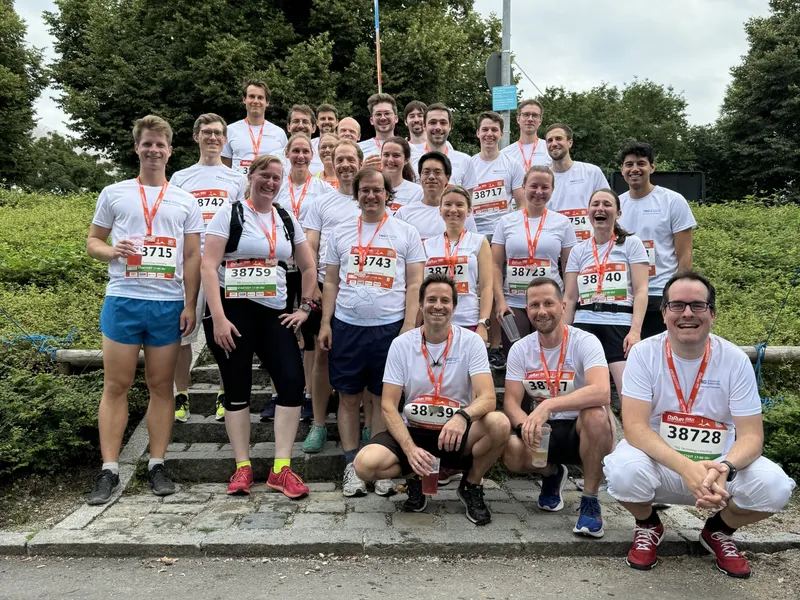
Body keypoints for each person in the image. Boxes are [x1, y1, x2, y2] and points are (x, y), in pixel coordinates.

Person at [604, 271, 796, 577]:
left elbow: (751, 436)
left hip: (718, 469)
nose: (687, 313)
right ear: (664, 313)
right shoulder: (642, 354)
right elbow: (635, 428)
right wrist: (685, 467)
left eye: (698, 305)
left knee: (775, 488)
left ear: (712, 314)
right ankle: (648, 525)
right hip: (661, 463)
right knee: (622, 473)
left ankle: (719, 530)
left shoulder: (735, 360)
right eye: (677, 305)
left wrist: (726, 467)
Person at [86, 115, 204, 504]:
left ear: (170, 150)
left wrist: (190, 303)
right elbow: (93, 241)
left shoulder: (185, 199)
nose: (154, 150)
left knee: (160, 386)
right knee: (115, 385)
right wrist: (110, 251)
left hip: (167, 303)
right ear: (137, 147)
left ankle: (157, 463)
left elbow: (192, 256)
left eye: (160, 144)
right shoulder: (114, 193)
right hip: (124, 299)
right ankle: (109, 469)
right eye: (147, 144)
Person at [201, 154, 317, 498]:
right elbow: (208, 266)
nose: (270, 182)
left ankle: (282, 468)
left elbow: (309, 267)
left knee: (292, 383)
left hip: (273, 313)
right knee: (237, 388)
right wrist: (218, 317)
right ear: (250, 176)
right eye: (265, 175)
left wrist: (305, 308)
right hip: (232, 313)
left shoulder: (285, 218)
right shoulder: (230, 213)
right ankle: (242, 466)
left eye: (277, 178)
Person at [354, 273, 511, 525]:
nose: (438, 306)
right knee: (364, 464)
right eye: (431, 300)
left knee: (500, 423)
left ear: (454, 307)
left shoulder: (471, 342)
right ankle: (414, 478)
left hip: (456, 432)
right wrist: (409, 448)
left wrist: (463, 416)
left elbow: (488, 398)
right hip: (415, 430)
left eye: (445, 300)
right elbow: (388, 405)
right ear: (420, 305)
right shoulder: (401, 344)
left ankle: (471, 485)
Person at [318, 167, 426, 498]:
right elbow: (331, 281)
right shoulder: (340, 232)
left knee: (383, 399)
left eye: (377, 190)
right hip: (347, 326)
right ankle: (352, 464)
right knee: (348, 397)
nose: (371, 195)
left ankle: (378, 465)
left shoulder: (406, 232)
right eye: (364, 190)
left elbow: (415, 283)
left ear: (387, 194)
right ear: (356, 194)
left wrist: (409, 325)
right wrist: (326, 322)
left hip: (390, 328)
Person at [502, 277, 614, 537]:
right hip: (546, 431)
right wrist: (525, 425)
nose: (541, 311)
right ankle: (552, 473)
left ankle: (590, 501)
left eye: (548, 303)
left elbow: (602, 391)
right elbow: (511, 402)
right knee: (511, 452)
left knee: (596, 414)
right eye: (534, 305)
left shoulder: (585, 341)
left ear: (563, 306)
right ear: (527, 310)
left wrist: (549, 405)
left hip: (582, 429)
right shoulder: (520, 349)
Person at [170, 113, 247, 425]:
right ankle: (181, 394)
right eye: (207, 132)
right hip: (189, 263)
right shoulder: (180, 178)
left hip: (223, 265)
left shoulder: (237, 179)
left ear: (225, 140)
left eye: (218, 133)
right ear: (196, 137)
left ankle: (224, 393)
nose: (213, 137)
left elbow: (243, 222)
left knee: (224, 332)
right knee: (183, 334)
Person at [260, 134, 335, 421]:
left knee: (311, 334)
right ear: (287, 153)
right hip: (277, 265)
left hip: (307, 268)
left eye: (306, 151)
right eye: (296, 151)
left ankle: (307, 396)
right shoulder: (275, 185)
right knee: (276, 328)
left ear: (312, 155)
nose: (301, 156)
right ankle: (276, 395)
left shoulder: (323, 189)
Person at [301, 140, 364, 453]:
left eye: (351, 159)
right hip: (327, 286)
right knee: (322, 354)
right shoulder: (321, 201)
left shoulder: (370, 198)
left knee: (364, 356)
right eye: (340, 159)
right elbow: (310, 245)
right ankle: (318, 423)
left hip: (363, 287)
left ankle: (365, 423)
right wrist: (312, 286)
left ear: (360, 163)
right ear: (332, 163)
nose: (345, 165)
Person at [563, 188, 650, 402]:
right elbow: (570, 297)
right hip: (584, 324)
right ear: (588, 212)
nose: (600, 208)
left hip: (619, 324)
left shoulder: (632, 244)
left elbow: (641, 290)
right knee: (585, 396)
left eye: (607, 204)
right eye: (595, 204)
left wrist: (635, 331)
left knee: (628, 394)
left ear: (618, 213)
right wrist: (563, 334)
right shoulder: (578, 251)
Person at [462, 111, 525, 371]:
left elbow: (521, 202)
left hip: (501, 235)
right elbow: (464, 201)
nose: (489, 134)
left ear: (501, 134)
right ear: (478, 133)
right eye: (485, 129)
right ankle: (479, 337)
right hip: (475, 235)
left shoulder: (512, 164)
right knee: (477, 290)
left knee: (499, 291)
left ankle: (497, 346)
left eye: (494, 130)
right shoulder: (469, 164)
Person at [492, 166, 577, 353]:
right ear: (523, 187)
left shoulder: (562, 223)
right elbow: (495, 265)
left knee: (552, 355)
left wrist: (565, 301)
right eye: (534, 186)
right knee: (516, 354)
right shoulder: (506, 222)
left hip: (550, 302)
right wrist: (500, 300)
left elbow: (569, 267)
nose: (539, 192)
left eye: (545, 187)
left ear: (552, 190)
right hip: (513, 303)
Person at [617, 142, 696, 340]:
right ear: (622, 170)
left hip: (660, 291)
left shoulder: (672, 201)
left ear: (652, 167)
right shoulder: (616, 205)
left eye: (641, 163)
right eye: (629, 164)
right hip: (625, 294)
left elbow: (685, 254)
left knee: (663, 350)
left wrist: (677, 292)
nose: (635, 169)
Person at [421, 185, 491, 340]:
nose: (453, 209)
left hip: (468, 319)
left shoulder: (479, 241)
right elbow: (421, 287)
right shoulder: (427, 245)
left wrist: (483, 323)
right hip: (434, 320)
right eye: (448, 204)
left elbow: (487, 287)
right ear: (440, 210)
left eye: (459, 205)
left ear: (469, 211)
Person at [545, 123, 608, 242]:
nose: (554, 143)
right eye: (550, 140)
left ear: (570, 142)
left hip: (588, 245)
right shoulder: (542, 178)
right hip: (555, 243)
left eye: (559, 139)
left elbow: (609, 207)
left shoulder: (591, 172)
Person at [395, 152, 478, 242]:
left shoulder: (460, 213)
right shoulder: (404, 213)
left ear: (447, 178)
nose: (431, 177)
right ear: (420, 176)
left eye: (437, 172)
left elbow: (474, 244)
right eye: (426, 172)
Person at [221, 79, 287, 175]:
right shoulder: (230, 130)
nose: (256, 101)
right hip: (239, 184)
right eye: (252, 96)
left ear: (267, 102)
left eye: (260, 97)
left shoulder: (279, 133)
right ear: (244, 99)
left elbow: (285, 166)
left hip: (269, 184)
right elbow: (225, 168)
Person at [409, 103, 468, 185]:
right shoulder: (411, 161)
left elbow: (468, 193)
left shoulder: (465, 161)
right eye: (433, 122)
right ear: (424, 126)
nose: (438, 127)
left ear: (450, 126)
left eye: (443, 123)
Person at [501, 99, 550, 170]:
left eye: (535, 115)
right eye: (526, 115)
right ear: (518, 119)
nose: (530, 119)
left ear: (540, 121)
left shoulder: (549, 149)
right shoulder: (505, 154)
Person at [380, 136, 423, 213]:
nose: (390, 160)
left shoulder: (418, 192)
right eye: (386, 155)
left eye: (396, 155)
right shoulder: (370, 188)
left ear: (406, 159)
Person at [359, 93, 400, 167]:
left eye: (387, 113)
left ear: (396, 118)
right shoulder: (360, 148)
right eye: (378, 114)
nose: (383, 118)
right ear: (371, 120)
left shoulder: (408, 148)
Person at [283, 104, 323, 175]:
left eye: (305, 122)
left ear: (313, 128)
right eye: (296, 121)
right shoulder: (276, 157)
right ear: (288, 127)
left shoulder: (323, 156)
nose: (300, 126)